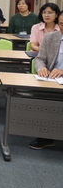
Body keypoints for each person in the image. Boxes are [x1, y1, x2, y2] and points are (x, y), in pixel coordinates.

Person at [30, 11, 63, 149]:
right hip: (51, 79)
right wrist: (41, 68)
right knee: (44, 100)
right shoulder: (51, 37)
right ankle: (46, 136)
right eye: (61, 24)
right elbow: (39, 58)